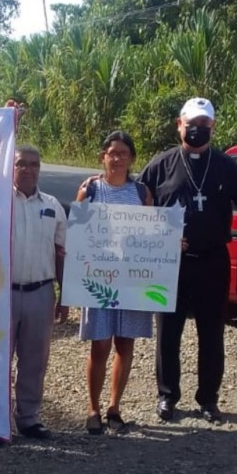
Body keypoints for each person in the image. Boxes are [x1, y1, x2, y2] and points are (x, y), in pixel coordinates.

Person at [138, 97, 237, 423]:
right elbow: (134, 206)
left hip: (212, 261)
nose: (198, 129)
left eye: (205, 124)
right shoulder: (161, 164)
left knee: (212, 333)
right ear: (179, 124)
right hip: (170, 263)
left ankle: (208, 399)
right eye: (192, 123)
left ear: (213, 127)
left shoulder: (225, 166)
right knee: (168, 333)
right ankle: (167, 396)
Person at [0, 142, 68, 447]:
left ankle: (29, 419)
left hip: (41, 293)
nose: (28, 169)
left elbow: (61, 253)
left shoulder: (53, 205)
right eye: (22, 164)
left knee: (35, 361)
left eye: (34, 164)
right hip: (3, 295)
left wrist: (65, 295)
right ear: (12, 166)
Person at [74, 131, 153, 434]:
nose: (118, 158)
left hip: (133, 279)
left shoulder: (142, 192)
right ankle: (93, 408)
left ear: (132, 158)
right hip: (99, 279)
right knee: (100, 344)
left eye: (123, 153)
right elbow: (77, 233)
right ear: (102, 157)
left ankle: (114, 407)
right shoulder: (90, 190)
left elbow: (152, 233)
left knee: (125, 343)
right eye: (112, 152)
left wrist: (171, 243)